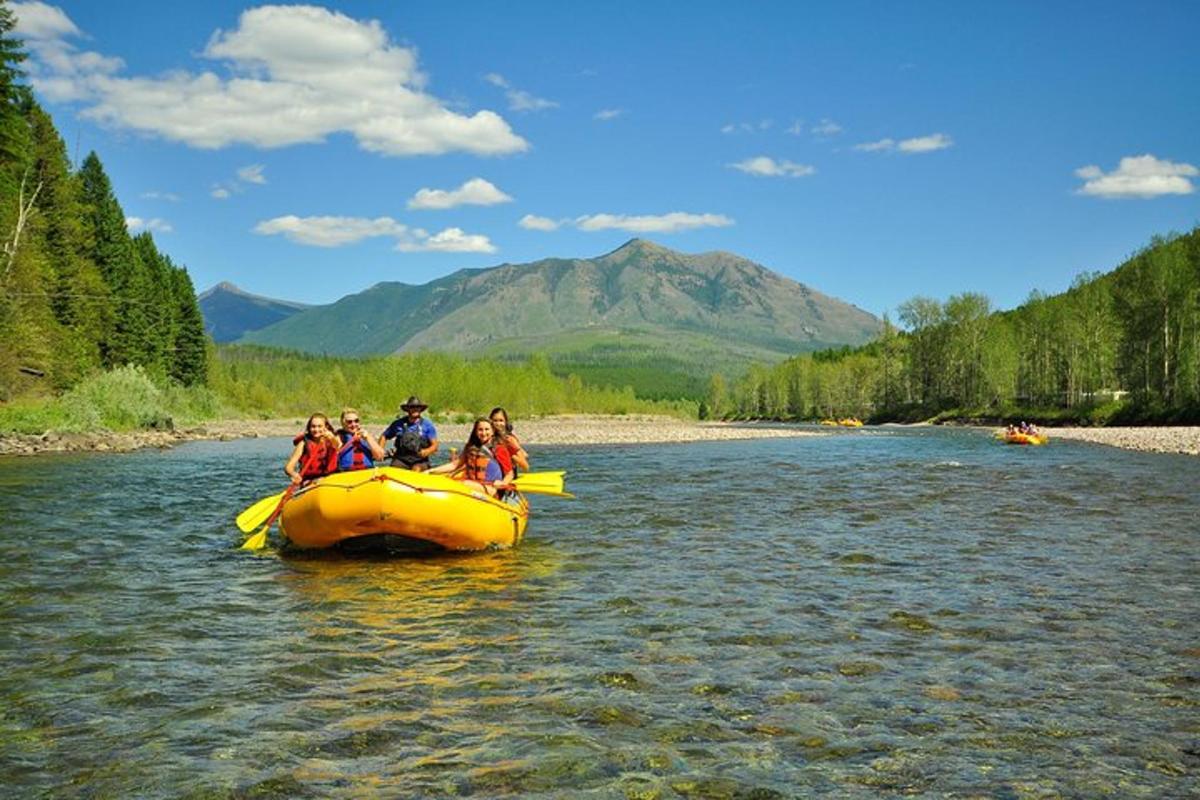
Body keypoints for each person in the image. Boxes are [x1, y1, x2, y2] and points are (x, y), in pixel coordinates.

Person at [428, 417, 512, 496]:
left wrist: (503, 483)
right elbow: (455, 465)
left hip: (491, 489)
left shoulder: (499, 449)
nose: (483, 433)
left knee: (463, 484)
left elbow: (509, 474)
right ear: (475, 432)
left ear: (493, 431)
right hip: (473, 485)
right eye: (480, 430)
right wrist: (431, 471)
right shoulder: (471, 447)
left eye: (487, 429)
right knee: (449, 480)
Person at [379, 396, 438, 471]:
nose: (415, 409)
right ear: (408, 409)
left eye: (417, 407)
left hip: (420, 461)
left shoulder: (428, 425)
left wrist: (427, 451)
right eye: (412, 407)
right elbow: (384, 436)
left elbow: (435, 445)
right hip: (401, 459)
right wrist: (380, 451)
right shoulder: (398, 424)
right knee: (393, 470)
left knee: (416, 469)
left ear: (420, 409)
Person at [284, 413, 340, 485]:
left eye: (320, 426)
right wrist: (294, 475)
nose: (316, 429)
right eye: (313, 426)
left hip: (329, 479)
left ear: (326, 427)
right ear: (309, 428)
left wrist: (332, 438)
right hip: (310, 481)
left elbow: (337, 445)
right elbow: (288, 468)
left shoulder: (332, 439)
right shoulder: (303, 443)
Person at [489, 406, 530, 474]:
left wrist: (510, 455)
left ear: (505, 422)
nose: (498, 424)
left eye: (501, 420)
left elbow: (525, 467)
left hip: (507, 476)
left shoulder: (509, 439)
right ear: (490, 421)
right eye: (495, 420)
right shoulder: (486, 436)